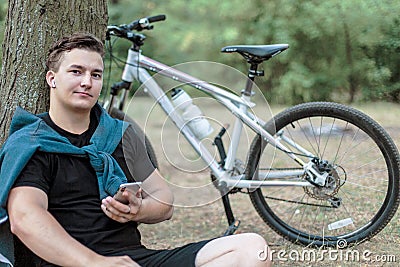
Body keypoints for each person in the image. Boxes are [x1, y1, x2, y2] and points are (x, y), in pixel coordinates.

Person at [0, 32, 272, 267]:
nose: (87, 82)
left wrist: (139, 209)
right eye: (76, 72)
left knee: (250, 249)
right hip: (72, 262)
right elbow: (25, 218)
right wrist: (95, 263)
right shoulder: (32, 142)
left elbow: (164, 202)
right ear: (52, 79)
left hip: (134, 261)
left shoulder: (119, 134)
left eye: (96, 74)